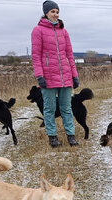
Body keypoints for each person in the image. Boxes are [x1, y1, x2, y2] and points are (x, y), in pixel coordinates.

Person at [31, 0, 80, 147]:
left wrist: (74, 75)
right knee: (50, 108)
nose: (55, 14)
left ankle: (71, 135)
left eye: (57, 12)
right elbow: (36, 56)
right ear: (46, 13)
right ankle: (52, 136)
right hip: (48, 77)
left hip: (65, 76)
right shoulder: (37, 30)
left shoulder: (63, 31)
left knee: (66, 107)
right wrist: (39, 75)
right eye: (52, 11)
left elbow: (69, 55)